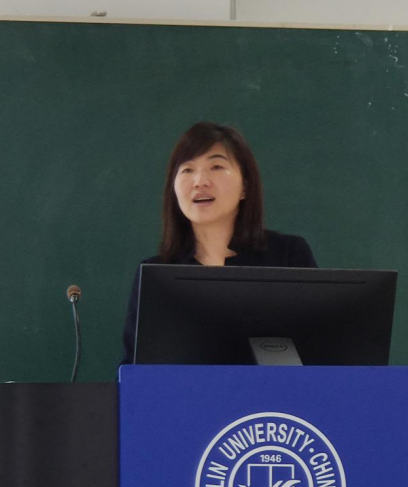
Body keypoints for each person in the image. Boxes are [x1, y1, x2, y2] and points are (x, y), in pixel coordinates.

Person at [121, 121, 317, 364]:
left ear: (245, 186)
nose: (199, 181)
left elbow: (319, 355)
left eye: (216, 166)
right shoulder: (155, 274)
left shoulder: (288, 256)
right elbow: (133, 369)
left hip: (276, 390)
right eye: (187, 170)